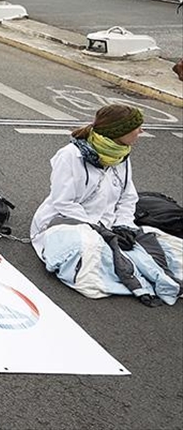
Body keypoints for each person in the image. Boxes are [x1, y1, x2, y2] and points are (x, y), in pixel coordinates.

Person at [29, 105, 180, 306]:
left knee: (164, 249)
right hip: (68, 221)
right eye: (137, 127)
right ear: (119, 131)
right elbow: (63, 202)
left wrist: (123, 225)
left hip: (109, 224)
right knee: (92, 252)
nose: (141, 131)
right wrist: (100, 229)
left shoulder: (122, 155)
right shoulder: (70, 155)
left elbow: (128, 198)